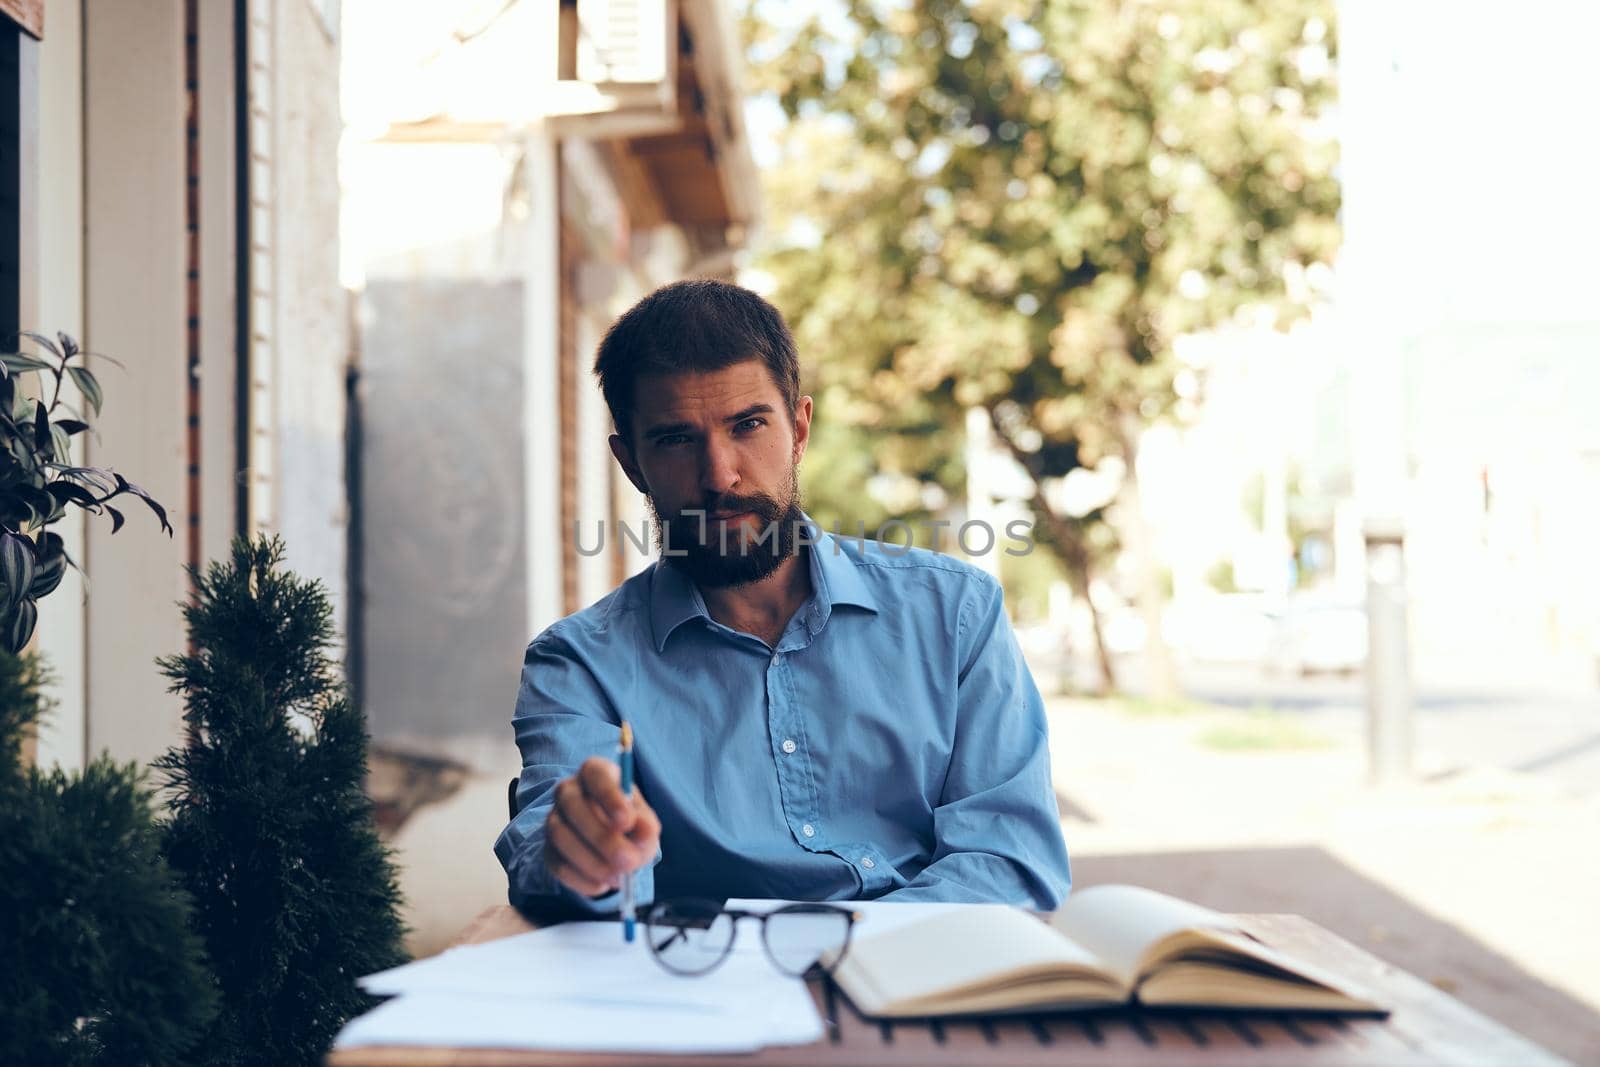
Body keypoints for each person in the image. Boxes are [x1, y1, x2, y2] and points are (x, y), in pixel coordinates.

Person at [493, 279, 1070, 916]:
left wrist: (856, 955)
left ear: (798, 430)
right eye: (677, 439)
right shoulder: (578, 666)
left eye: (748, 426)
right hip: (708, 993)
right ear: (631, 464)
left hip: (921, 982)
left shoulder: (955, 615)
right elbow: (553, 846)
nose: (720, 475)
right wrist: (583, 856)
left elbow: (1008, 859)